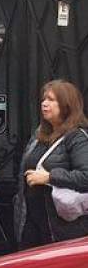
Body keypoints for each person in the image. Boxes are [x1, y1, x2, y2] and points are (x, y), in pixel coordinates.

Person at [16, 79, 88, 249]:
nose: (44, 104)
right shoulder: (39, 135)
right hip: (31, 219)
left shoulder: (77, 137)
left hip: (60, 226)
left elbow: (86, 176)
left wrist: (49, 177)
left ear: (66, 105)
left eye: (51, 100)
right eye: (43, 99)